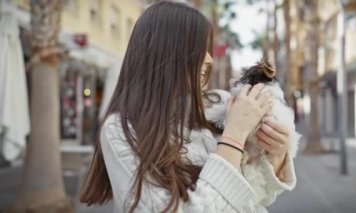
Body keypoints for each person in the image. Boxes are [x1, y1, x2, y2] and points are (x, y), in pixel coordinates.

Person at [80, 1, 295, 212]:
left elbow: (253, 199)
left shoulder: (219, 104)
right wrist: (235, 135)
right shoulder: (120, 129)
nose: (209, 58)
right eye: (199, 48)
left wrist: (275, 156)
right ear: (168, 52)